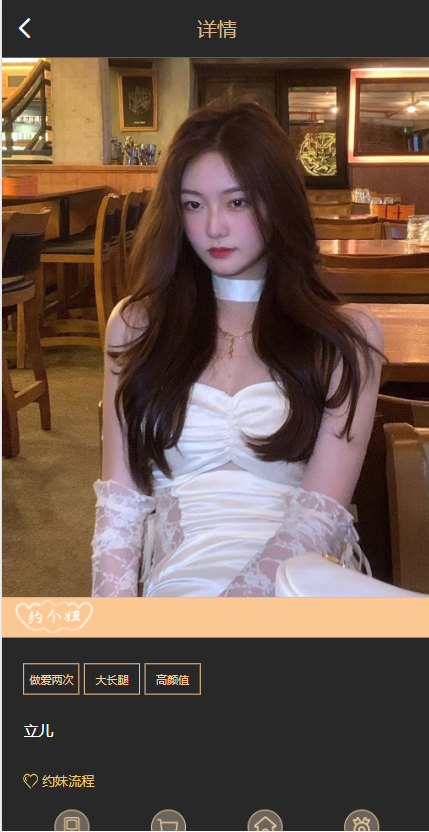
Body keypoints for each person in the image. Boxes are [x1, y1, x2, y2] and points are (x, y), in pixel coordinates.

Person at [91, 101, 385, 598]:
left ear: (278, 200)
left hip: (297, 591)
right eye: (193, 204)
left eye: (238, 202)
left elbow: (318, 519)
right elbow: (119, 509)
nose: (214, 227)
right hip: (179, 589)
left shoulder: (347, 338)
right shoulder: (136, 325)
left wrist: (232, 620)